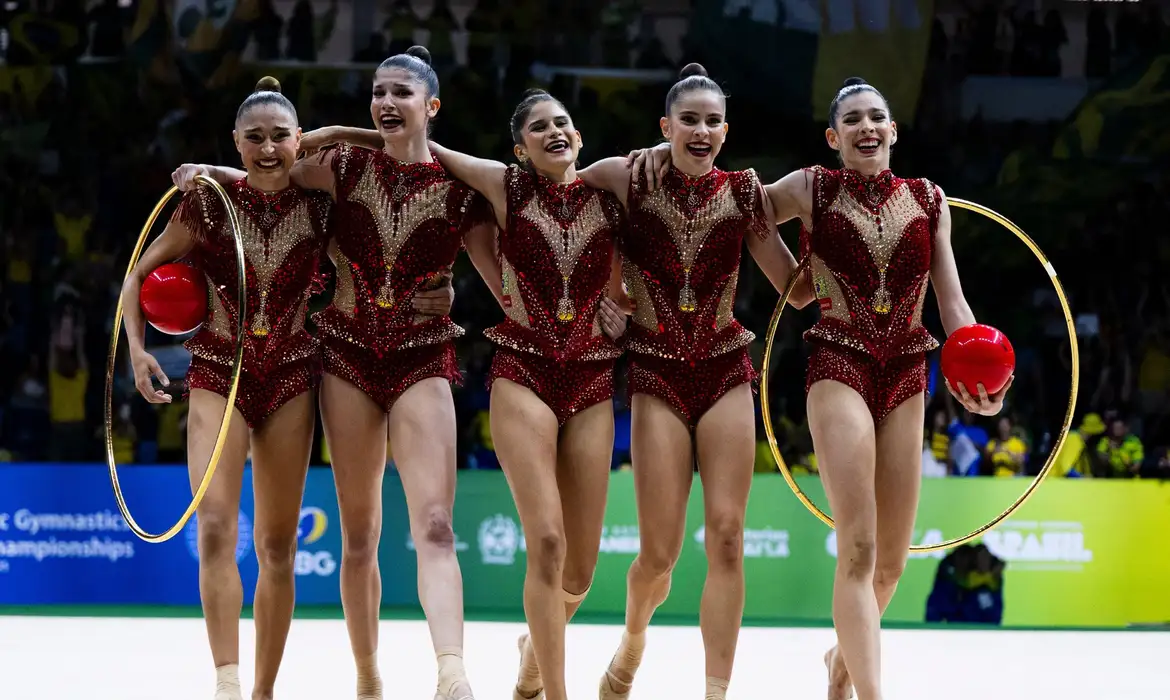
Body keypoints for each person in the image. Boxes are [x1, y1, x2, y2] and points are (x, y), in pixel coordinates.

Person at [643, 76, 1008, 700]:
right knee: (858, 548)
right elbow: (733, 202)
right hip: (838, 363)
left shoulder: (929, 200)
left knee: (890, 566)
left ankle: (841, 662)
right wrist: (663, 154)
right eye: (853, 119)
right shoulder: (811, 187)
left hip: (907, 373)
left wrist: (977, 376)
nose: (867, 127)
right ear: (834, 137)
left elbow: (951, 301)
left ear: (893, 130)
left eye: (877, 116)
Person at [173, 48, 498, 700]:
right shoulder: (344, 167)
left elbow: (506, 285)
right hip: (346, 356)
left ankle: (452, 672)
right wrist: (209, 171)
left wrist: (463, 297)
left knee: (436, 524)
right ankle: (368, 676)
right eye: (378, 91)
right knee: (359, 538)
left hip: (421, 354)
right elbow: (271, 170)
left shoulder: (461, 189)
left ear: (432, 105)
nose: (385, 102)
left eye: (401, 92)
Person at [298, 87, 632, 700]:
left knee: (578, 572)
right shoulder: (501, 186)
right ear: (518, 149)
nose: (554, 132)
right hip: (502, 368)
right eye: (539, 127)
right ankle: (415, 675)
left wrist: (621, 306)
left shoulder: (607, 192)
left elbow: (650, 256)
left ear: (580, 136)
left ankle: (531, 656)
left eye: (563, 122)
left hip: (585, 375)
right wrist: (348, 134)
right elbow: (272, 169)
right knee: (530, 542)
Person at [574, 63, 813, 700]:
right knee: (660, 556)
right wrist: (604, 288)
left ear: (726, 132)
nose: (701, 131)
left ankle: (715, 692)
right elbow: (560, 187)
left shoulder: (744, 195)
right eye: (689, 121)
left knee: (728, 539)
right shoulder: (629, 178)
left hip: (724, 367)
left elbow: (798, 291)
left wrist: (833, 245)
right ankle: (633, 640)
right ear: (666, 126)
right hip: (656, 372)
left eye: (712, 122)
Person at [122, 77, 331, 700]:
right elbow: (137, 275)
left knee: (277, 547)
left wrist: (437, 290)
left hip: (291, 376)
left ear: (300, 140)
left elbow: (384, 254)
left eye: (280, 137)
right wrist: (136, 350)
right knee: (215, 527)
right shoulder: (208, 207)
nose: (267, 149)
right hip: (219, 371)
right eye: (254, 138)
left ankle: (264, 690)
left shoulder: (323, 204)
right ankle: (228, 682)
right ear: (236, 142)